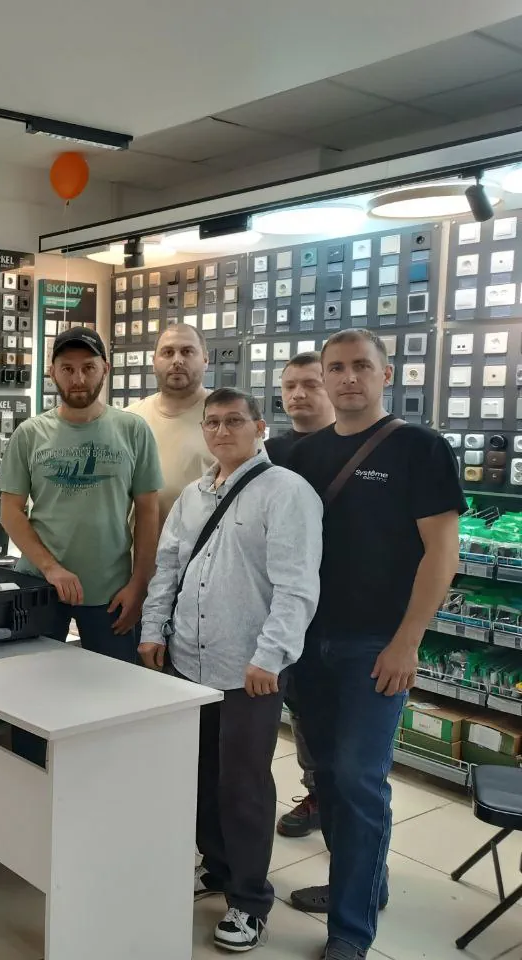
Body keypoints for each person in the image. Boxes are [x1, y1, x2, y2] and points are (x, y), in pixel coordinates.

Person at [285, 329, 464, 960]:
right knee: (328, 777)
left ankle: (350, 932)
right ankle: (359, 886)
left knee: (360, 780)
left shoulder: (420, 448)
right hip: (309, 643)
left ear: (386, 375)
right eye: (336, 368)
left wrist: (407, 642)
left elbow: (442, 552)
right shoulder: (302, 455)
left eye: (361, 366)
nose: (348, 378)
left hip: (375, 646)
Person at [139, 387, 321, 953]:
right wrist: (153, 629)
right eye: (212, 422)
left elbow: (296, 586)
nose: (222, 431)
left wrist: (271, 657)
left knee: (243, 785)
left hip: (249, 669)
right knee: (199, 777)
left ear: (259, 427)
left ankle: (249, 900)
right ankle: (217, 867)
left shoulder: (287, 492)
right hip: (187, 658)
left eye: (234, 421)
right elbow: (167, 566)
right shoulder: (193, 496)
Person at [0, 326, 162, 663]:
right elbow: (10, 512)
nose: (78, 379)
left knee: (113, 686)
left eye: (88, 367)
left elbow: (148, 512)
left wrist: (139, 585)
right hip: (40, 586)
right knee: (35, 684)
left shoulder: (133, 430)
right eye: (67, 369)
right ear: (52, 372)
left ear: (106, 368)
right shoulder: (29, 434)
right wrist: (51, 568)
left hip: (112, 594)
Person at [265, 352, 335, 840]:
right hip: (278, 604)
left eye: (311, 384)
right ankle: (317, 796)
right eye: (290, 386)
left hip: (337, 607)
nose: (298, 394)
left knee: (333, 722)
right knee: (299, 713)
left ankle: (338, 809)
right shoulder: (270, 450)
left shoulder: (352, 445)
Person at [127, 323, 214, 523]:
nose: (177, 360)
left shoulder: (231, 420)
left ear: (205, 359)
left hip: (206, 543)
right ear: (154, 362)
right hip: (138, 543)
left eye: (187, 351)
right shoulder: (129, 419)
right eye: (167, 352)